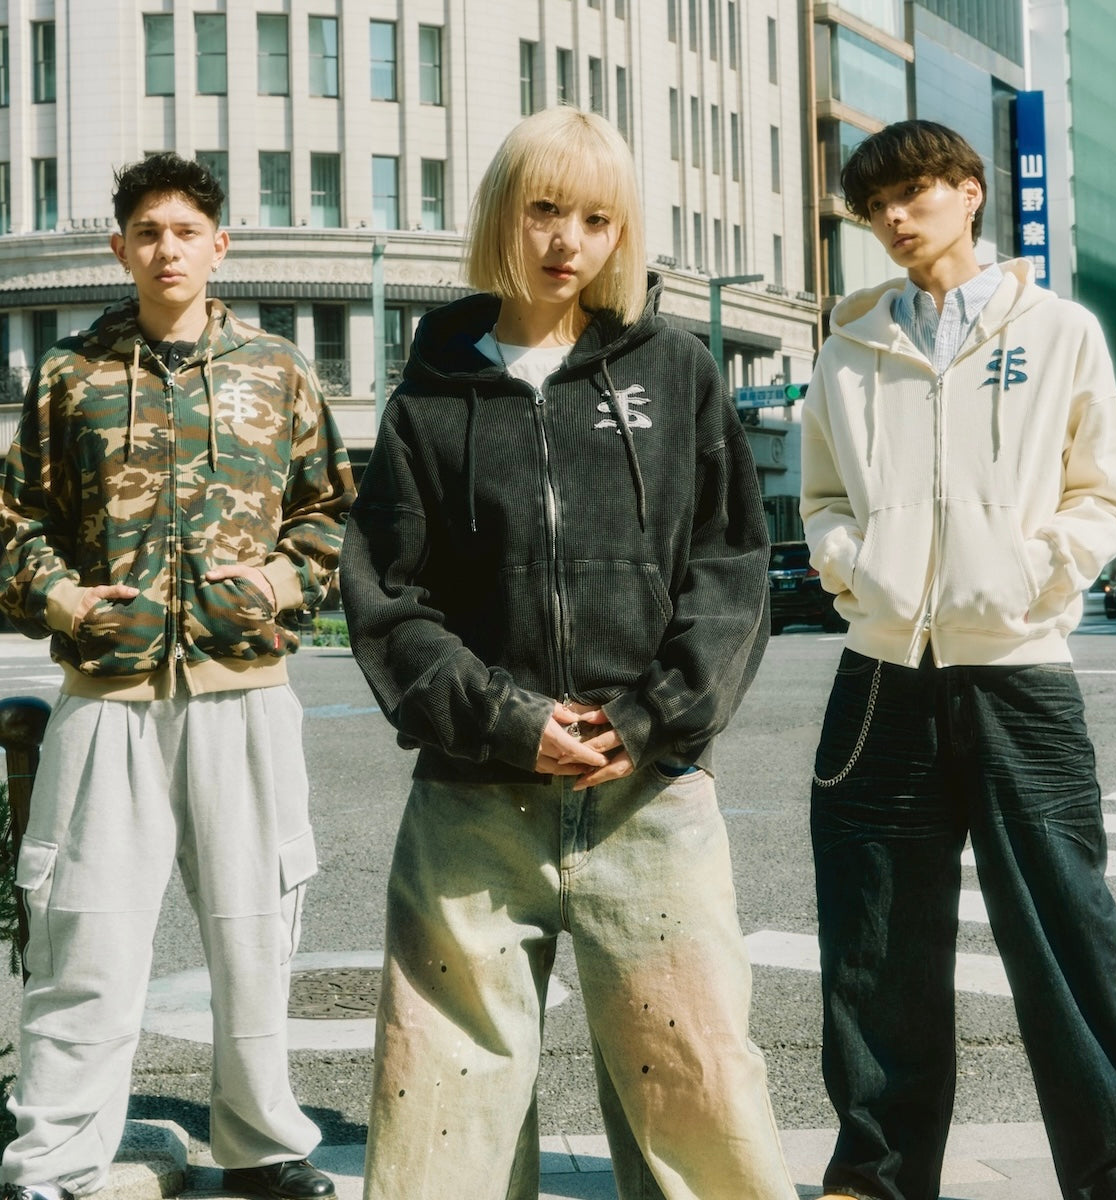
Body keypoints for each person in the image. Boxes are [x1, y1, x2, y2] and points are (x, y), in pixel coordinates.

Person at [339, 107, 796, 1200]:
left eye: (597, 218)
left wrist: (648, 719)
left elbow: (730, 570)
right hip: (473, 800)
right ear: (503, 211)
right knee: (442, 1099)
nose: (567, 240)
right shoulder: (430, 394)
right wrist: (506, 720)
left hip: (652, 792)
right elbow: (389, 598)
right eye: (544, 208)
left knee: (699, 1093)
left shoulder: (675, 370)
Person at [0, 153, 355, 1200]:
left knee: (255, 937)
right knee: (85, 940)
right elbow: (18, 523)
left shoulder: (276, 368)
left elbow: (330, 513)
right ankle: (52, 1166)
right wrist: (65, 601)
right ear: (120, 248)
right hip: (108, 699)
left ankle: (261, 1147)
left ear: (219, 244)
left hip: (245, 694)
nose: (167, 250)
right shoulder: (71, 374)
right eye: (147, 232)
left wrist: (280, 583)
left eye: (186, 231)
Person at [800, 119, 1116, 1200]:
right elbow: (821, 497)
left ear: (968, 191)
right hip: (882, 675)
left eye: (913, 193)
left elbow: (1107, 495)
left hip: (1020, 671)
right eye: (875, 207)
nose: (894, 218)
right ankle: (879, 1176)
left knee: (1064, 934)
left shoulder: (1056, 331)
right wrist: (855, 568)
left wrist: (1035, 574)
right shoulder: (850, 349)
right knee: (875, 943)